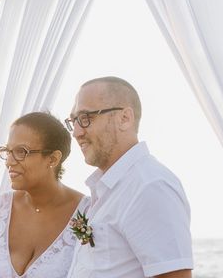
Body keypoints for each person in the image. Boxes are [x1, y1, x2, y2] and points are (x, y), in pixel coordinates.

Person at [66, 76, 193, 278]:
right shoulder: (112, 187)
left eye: (86, 118)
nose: (77, 132)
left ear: (124, 118)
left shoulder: (150, 186)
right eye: (74, 121)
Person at [0, 111, 89, 277]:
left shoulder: (86, 215)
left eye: (21, 152)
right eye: (7, 151)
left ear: (53, 159)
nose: (9, 162)